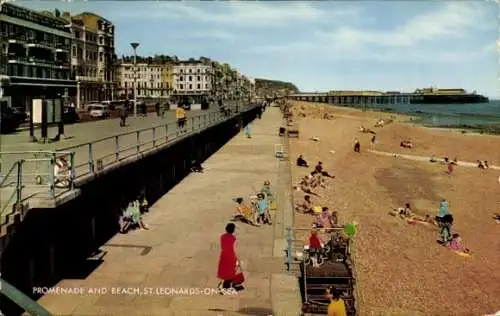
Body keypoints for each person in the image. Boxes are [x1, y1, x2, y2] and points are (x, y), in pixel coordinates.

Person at [217, 223, 240, 292]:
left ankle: (225, 282)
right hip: (231, 255)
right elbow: (234, 248)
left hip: (224, 255)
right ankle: (228, 283)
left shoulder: (222, 236)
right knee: (233, 268)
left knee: (225, 268)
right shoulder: (233, 238)